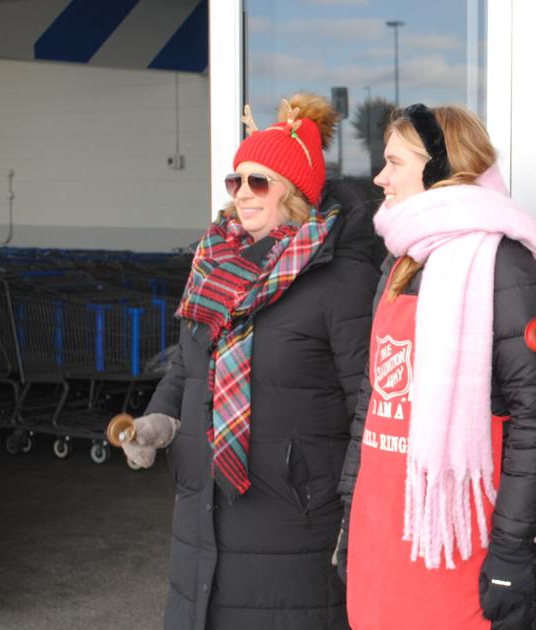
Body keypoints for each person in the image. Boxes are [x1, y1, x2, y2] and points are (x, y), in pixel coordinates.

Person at [120, 92, 380, 630]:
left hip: (294, 517)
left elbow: (370, 402)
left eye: (258, 182)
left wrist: (359, 509)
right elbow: (189, 366)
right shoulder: (212, 264)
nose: (243, 195)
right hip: (202, 510)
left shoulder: (340, 277)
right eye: (235, 182)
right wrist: (159, 420)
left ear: (295, 192)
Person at [336, 104, 536, 630]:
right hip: (385, 525)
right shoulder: (402, 260)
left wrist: (511, 550)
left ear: (438, 167)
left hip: (460, 538)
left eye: (394, 162)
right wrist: (349, 509)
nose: (379, 178)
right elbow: (374, 396)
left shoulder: (501, 265)